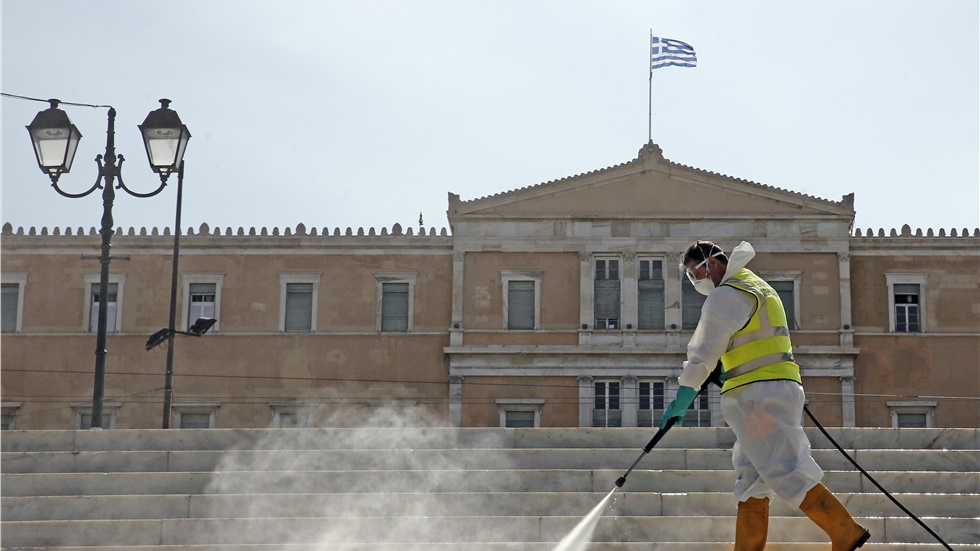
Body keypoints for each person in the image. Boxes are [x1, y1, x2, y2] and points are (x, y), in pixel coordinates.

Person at [660, 240, 870, 551]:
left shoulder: (725, 295)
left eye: (694, 273)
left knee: (785, 468)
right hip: (772, 387)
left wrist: (683, 397)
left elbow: (702, 354)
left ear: (712, 263)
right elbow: (747, 342)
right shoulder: (757, 286)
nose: (695, 281)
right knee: (751, 481)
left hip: (757, 397)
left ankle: (844, 531)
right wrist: (724, 368)